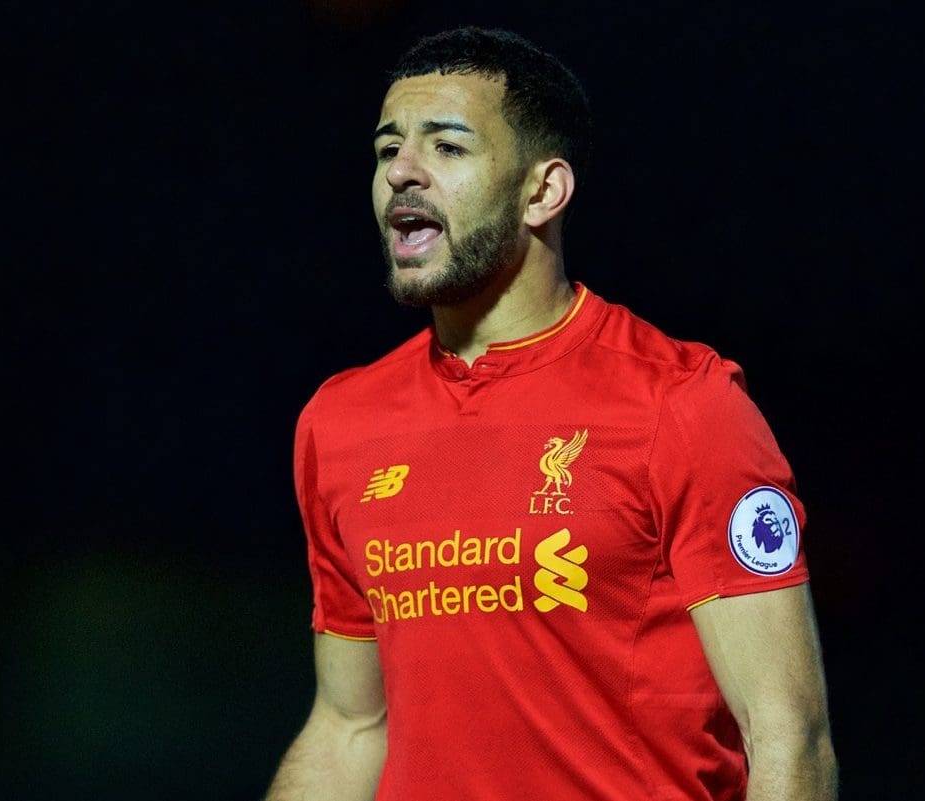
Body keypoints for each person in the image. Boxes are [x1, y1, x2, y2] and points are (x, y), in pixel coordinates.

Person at [265, 26, 837, 801]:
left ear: (543, 191)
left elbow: (787, 738)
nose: (401, 171)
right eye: (386, 148)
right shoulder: (340, 423)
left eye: (448, 147)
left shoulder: (682, 403)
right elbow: (349, 726)